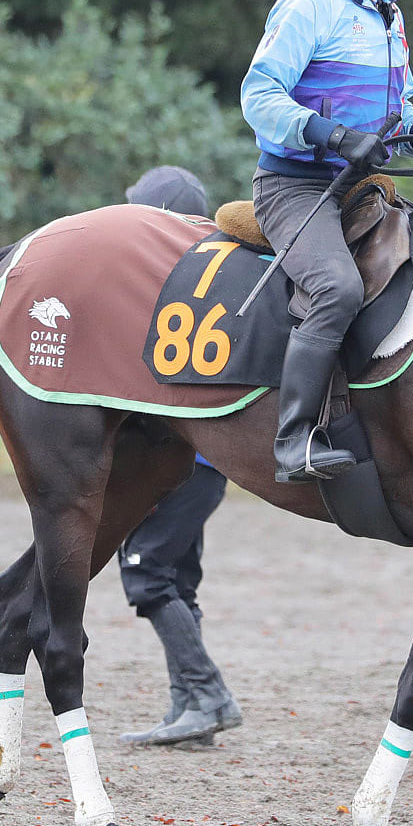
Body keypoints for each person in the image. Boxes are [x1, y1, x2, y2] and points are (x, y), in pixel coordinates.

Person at [240, 0, 413, 484]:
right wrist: (329, 133)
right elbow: (259, 98)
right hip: (296, 187)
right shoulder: (309, 0)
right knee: (336, 288)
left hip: (360, 188)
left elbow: (397, 104)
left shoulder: (388, 10)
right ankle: (294, 441)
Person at [117, 166, 243, 746]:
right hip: (207, 464)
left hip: (183, 462)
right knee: (177, 580)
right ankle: (187, 713)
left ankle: (210, 695)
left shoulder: (159, 285)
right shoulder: (210, 280)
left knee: (145, 572)